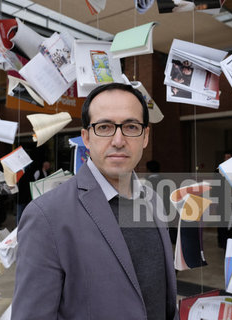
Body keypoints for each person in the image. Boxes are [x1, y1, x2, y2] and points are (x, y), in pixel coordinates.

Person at [11, 83, 178, 319]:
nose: (118, 140)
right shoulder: (46, 215)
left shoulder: (153, 200)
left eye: (131, 127)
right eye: (105, 127)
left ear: (145, 137)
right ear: (86, 138)